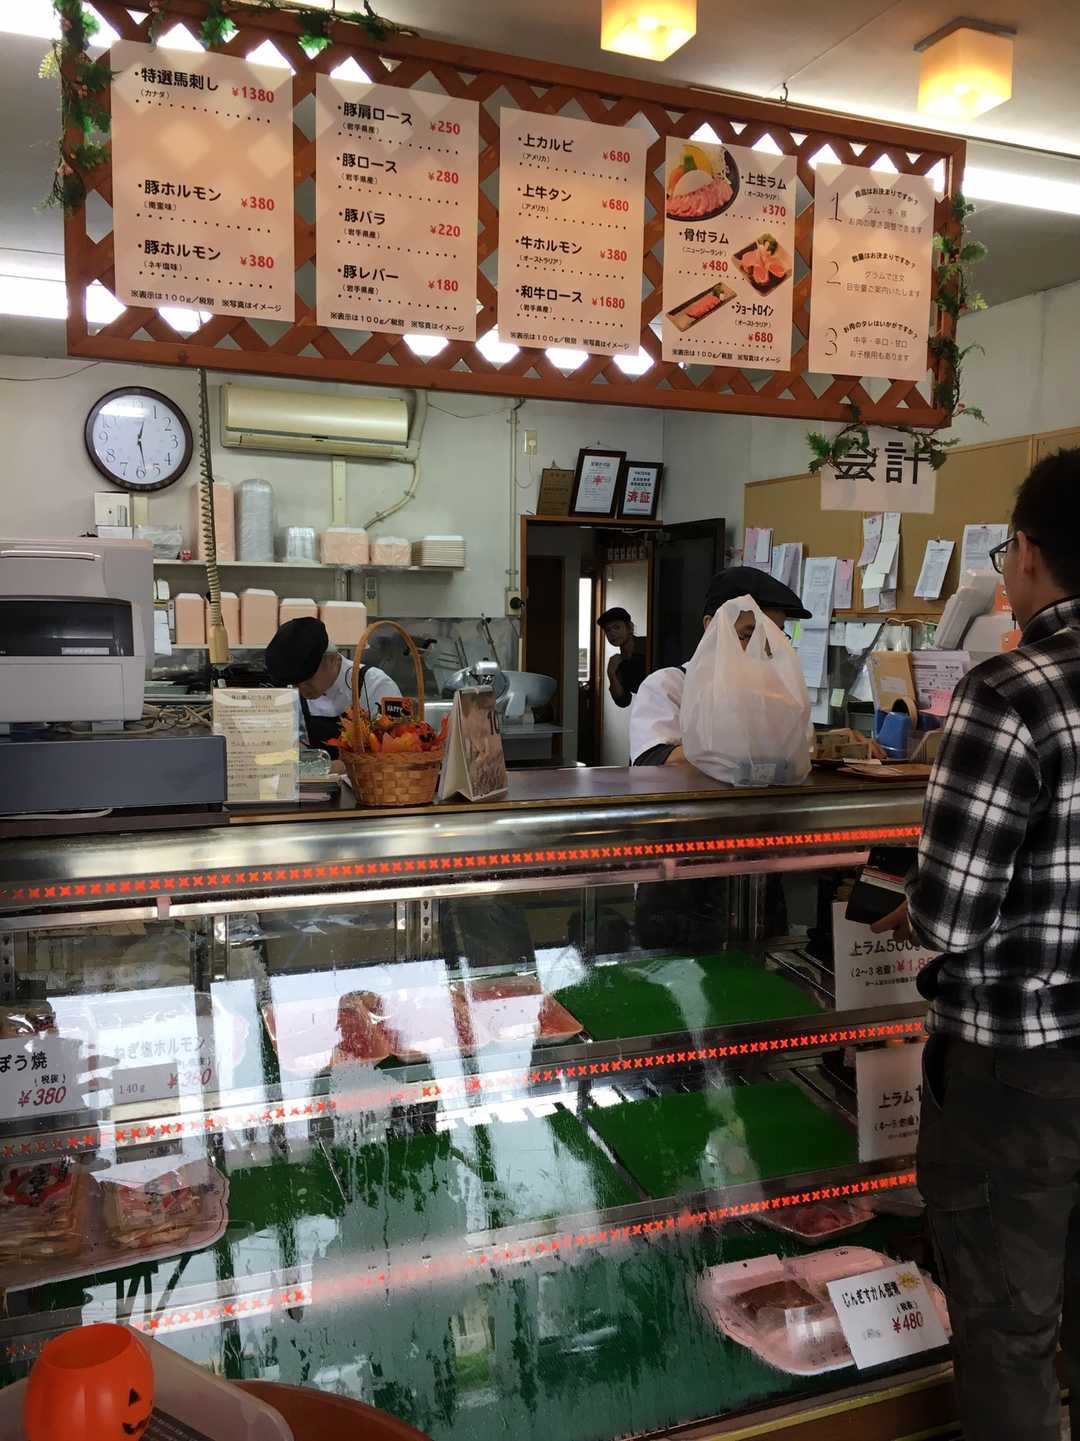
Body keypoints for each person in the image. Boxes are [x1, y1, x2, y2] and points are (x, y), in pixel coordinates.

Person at [872, 448, 1080, 1441]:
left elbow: (950, 916)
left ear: (1027, 552)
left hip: (1017, 1077)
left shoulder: (1011, 690)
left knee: (1009, 1332)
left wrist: (903, 902)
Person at [629, 566, 811, 766]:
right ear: (711, 626)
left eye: (775, 638)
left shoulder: (774, 693)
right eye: (749, 635)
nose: (762, 649)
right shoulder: (669, 686)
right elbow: (655, 761)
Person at [264, 616, 398, 753]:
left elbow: (397, 749)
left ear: (332, 659)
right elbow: (292, 742)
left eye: (307, 679)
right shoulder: (294, 692)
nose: (301, 689)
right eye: (295, 684)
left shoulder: (377, 686)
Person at [597, 606, 648, 708]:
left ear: (630, 627)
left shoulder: (648, 644)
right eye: (608, 630)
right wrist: (611, 674)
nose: (612, 633)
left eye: (617, 627)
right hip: (649, 708)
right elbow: (623, 701)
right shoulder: (618, 663)